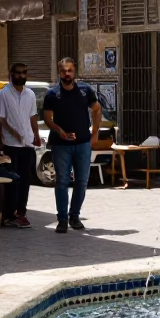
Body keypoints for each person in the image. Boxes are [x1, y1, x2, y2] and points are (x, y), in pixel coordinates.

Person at [43, 57, 101, 232]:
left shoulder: (85, 91)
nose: (67, 74)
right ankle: (62, 219)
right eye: (63, 71)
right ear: (59, 72)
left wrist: (95, 133)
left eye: (70, 70)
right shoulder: (52, 94)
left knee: (82, 181)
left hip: (83, 143)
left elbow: (97, 110)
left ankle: (74, 216)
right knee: (62, 181)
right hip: (61, 145)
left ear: (74, 71)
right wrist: (59, 130)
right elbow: (47, 118)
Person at [0, 62, 40, 229]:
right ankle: (9, 214)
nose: (21, 76)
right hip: (11, 144)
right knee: (13, 181)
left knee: (26, 180)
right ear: (11, 74)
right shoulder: (3, 94)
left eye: (24, 73)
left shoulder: (30, 94)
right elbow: (0, 121)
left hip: (27, 144)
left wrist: (36, 135)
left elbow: (33, 116)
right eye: (18, 73)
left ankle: (21, 213)